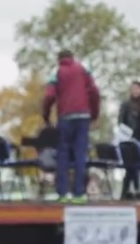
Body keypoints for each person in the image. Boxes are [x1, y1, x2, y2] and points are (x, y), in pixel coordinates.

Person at [41, 50, 101, 203]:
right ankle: (79, 193)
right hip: (83, 116)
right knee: (80, 154)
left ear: (59, 59)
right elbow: (94, 91)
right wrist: (94, 113)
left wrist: (46, 116)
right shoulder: (83, 70)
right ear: (73, 57)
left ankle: (63, 193)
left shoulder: (57, 73)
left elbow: (49, 96)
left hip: (66, 116)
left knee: (63, 154)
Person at [118, 81, 140, 199]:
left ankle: (133, 190)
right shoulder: (126, 104)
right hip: (128, 138)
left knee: (137, 165)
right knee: (130, 165)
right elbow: (121, 120)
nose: (135, 91)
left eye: (137, 88)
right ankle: (130, 190)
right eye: (133, 88)